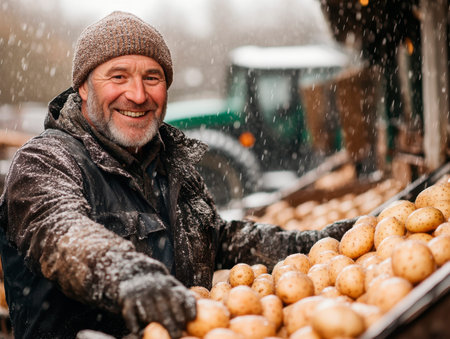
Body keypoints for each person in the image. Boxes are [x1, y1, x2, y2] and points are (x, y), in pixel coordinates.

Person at [0, 11, 353, 339]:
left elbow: (218, 239)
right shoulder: (44, 161)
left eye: (151, 78)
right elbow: (60, 231)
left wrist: (308, 244)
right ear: (83, 87)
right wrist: (131, 277)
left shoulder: (171, 165)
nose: (137, 95)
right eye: (118, 76)